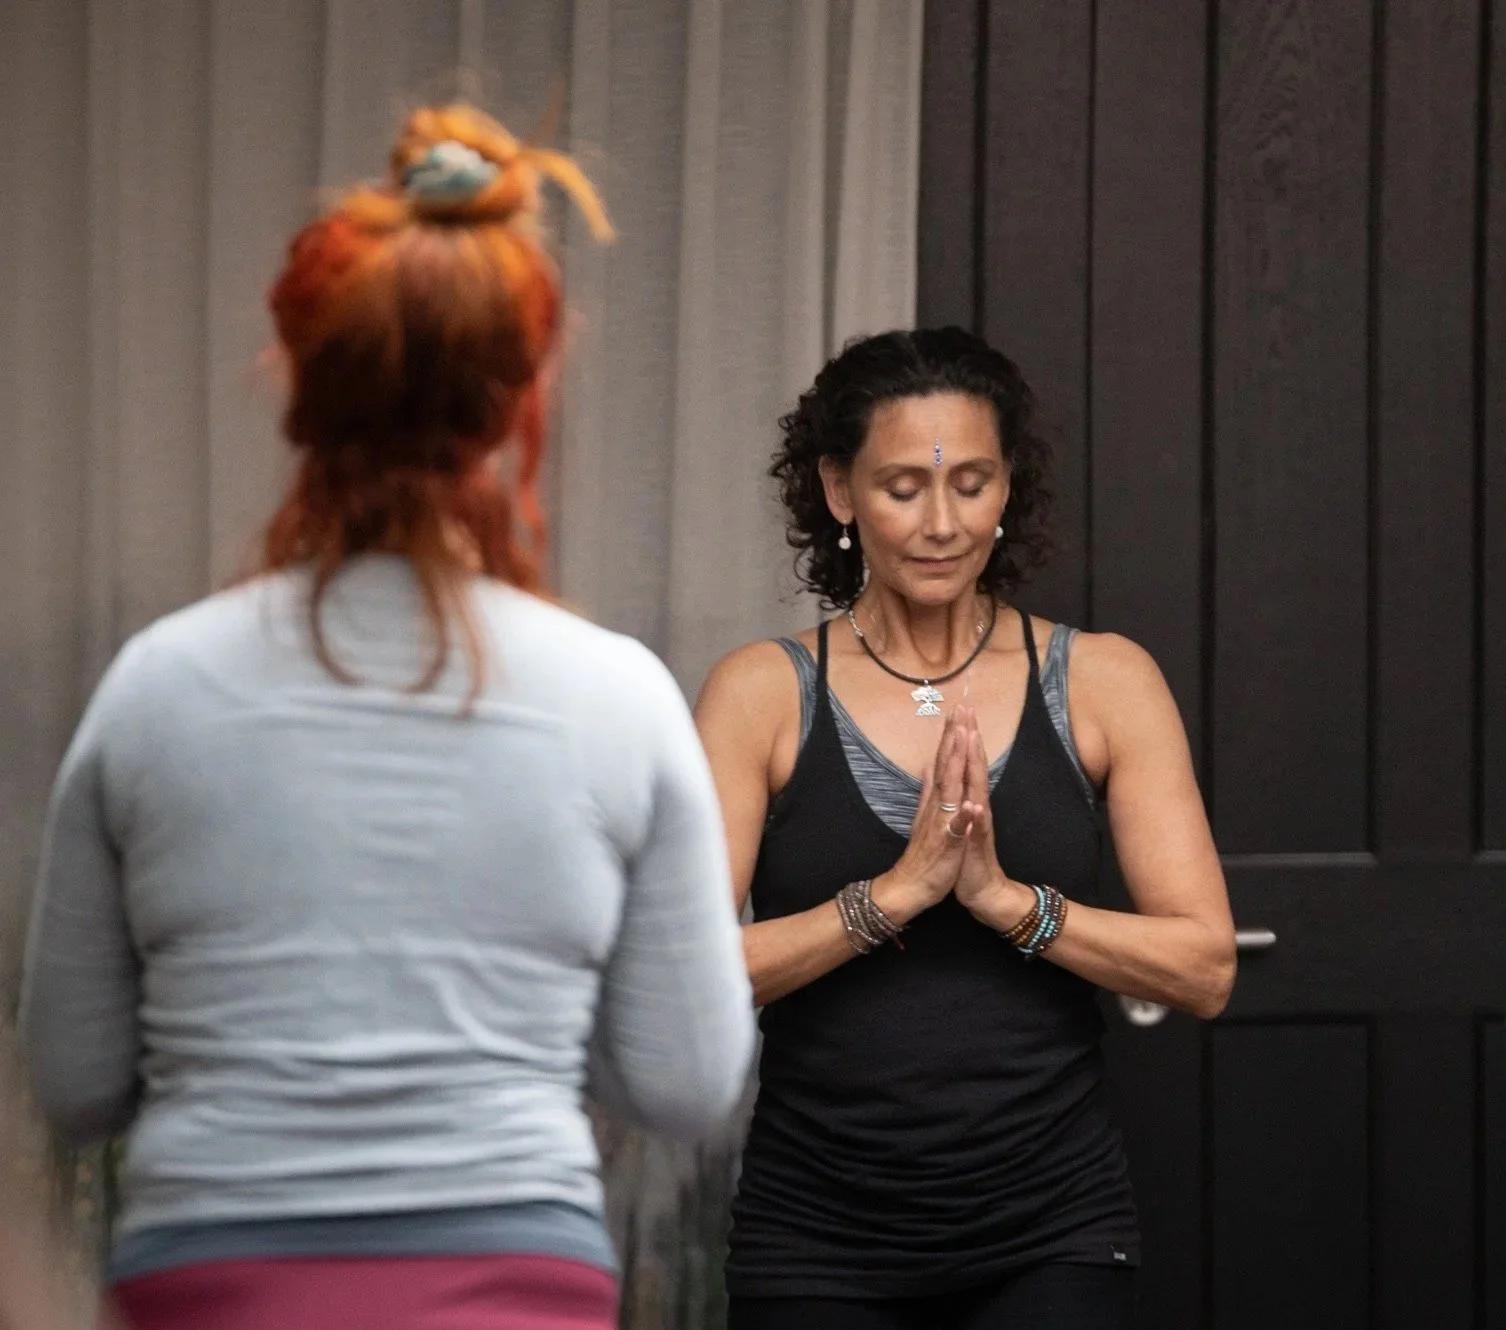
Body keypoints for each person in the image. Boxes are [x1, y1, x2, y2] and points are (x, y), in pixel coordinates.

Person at [19, 103, 755, 1330]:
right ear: (522, 406)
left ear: (302, 385)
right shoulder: (616, 696)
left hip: (207, 1279)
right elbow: (685, 1080)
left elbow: (75, 1076)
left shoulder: (156, 686)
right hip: (517, 1284)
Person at [695, 327, 1236, 1330]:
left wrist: (1004, 901)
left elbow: (1204, 966)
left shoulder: (1107, 680)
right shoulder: (761, 693)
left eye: (972, 482)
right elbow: (686, 970)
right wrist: (891, 896)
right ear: (839, 490)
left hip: (1053, 1234)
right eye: (903, 487)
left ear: (1007, 486)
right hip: (814, 1237)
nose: (942, 522)